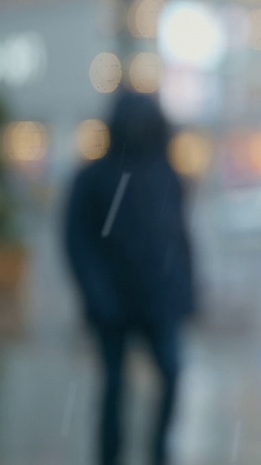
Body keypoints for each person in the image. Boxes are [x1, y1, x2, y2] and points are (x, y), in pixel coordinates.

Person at [64, 88, 196, 465]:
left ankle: (159, 452)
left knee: (171, 375)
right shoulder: (93, 179)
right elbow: (77, 242)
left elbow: (179, 235)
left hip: (160, 301)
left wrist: (187, 292)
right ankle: (109, 455)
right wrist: (97, 295)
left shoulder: (164, 175)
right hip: (113, 305)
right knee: (114, 388)